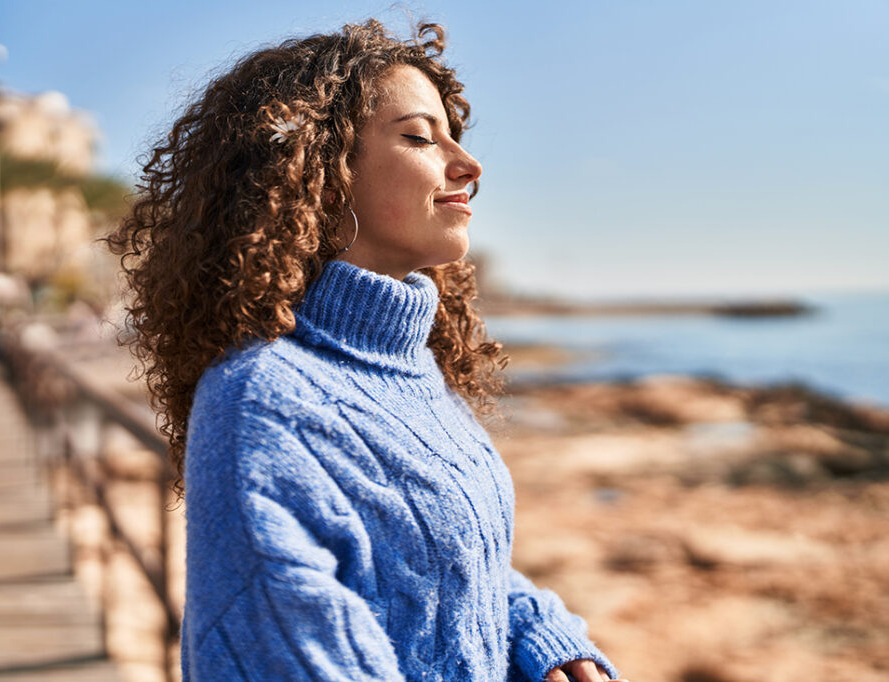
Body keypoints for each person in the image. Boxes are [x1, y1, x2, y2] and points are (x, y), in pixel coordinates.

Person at [109, 18, 627, 682]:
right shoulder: (264, 401)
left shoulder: (410, 363)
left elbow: (438, 559)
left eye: (454, 137)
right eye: (418, 137)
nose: (468, 166)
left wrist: (540, 636)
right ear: (323, 171)